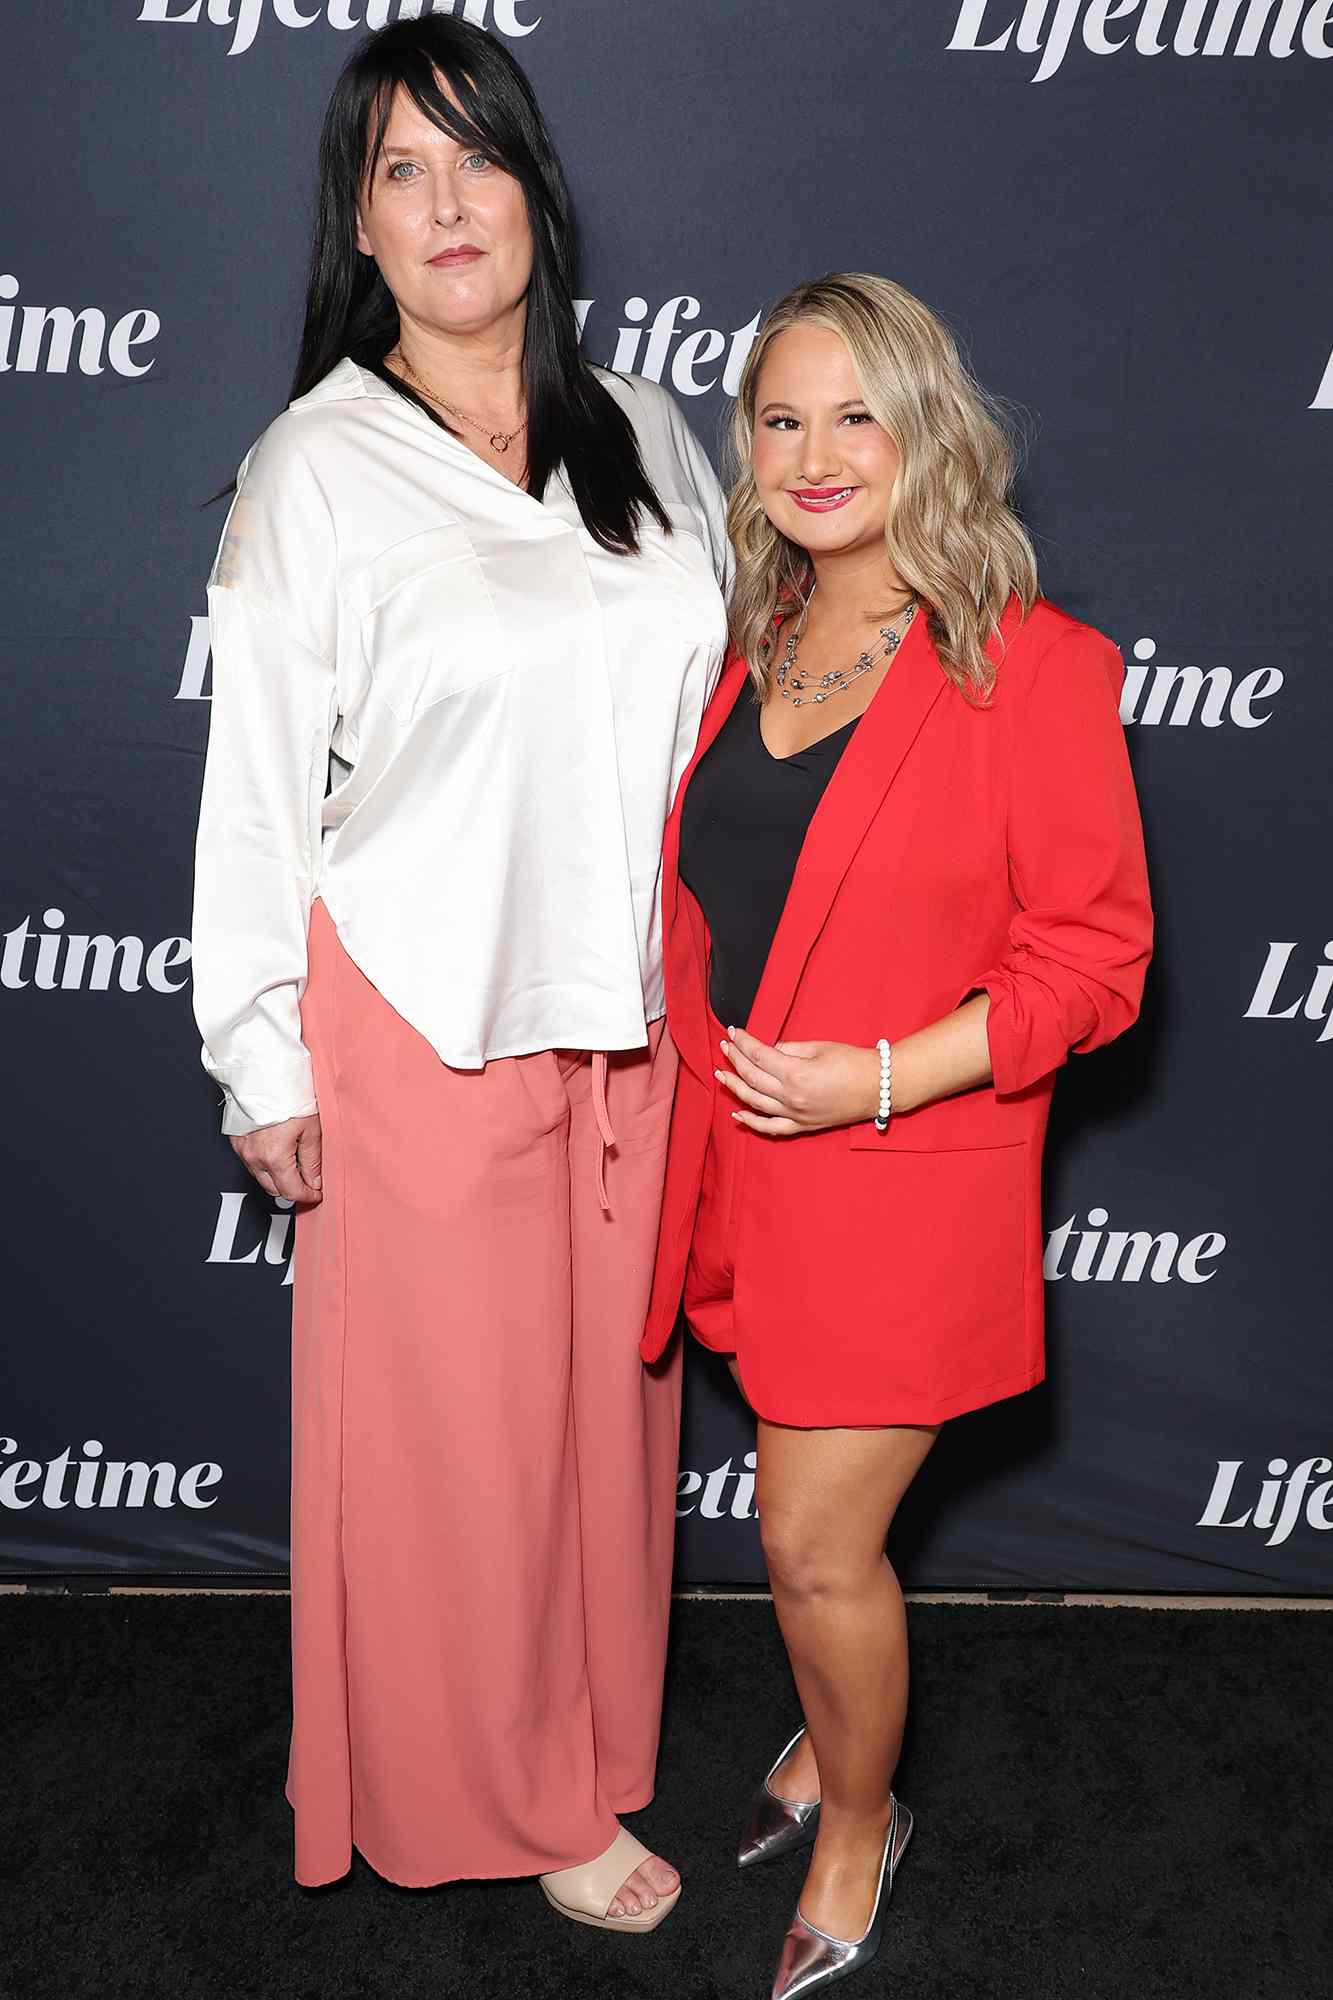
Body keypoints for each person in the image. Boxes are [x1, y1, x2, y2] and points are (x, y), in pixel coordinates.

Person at [190, 17, 729, 1930]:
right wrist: (259, 1049)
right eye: (398, 170)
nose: (445, 202)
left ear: (533, 189)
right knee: (455, 1455)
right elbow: (253, 775)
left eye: (473, 158)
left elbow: (732, 715)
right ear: (356, 220)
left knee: (606, 1429)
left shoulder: (650, 428)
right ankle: (494, 1799)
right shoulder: (317, 464)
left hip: (630, 1017)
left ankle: (581, 1740)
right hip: (418, 1006)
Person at [641, 272, 1153, 1997]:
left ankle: (861, 1822)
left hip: (897, 1184)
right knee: (806, 1552)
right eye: (779, 418)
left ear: (924, 427)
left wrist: (880, 1074)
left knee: (808, 1544)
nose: (811, 450)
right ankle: (816, 1751)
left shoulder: (1037, 669)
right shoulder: (741, 646)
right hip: (729, 1178)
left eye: (853, 411)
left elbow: (1095, 961)